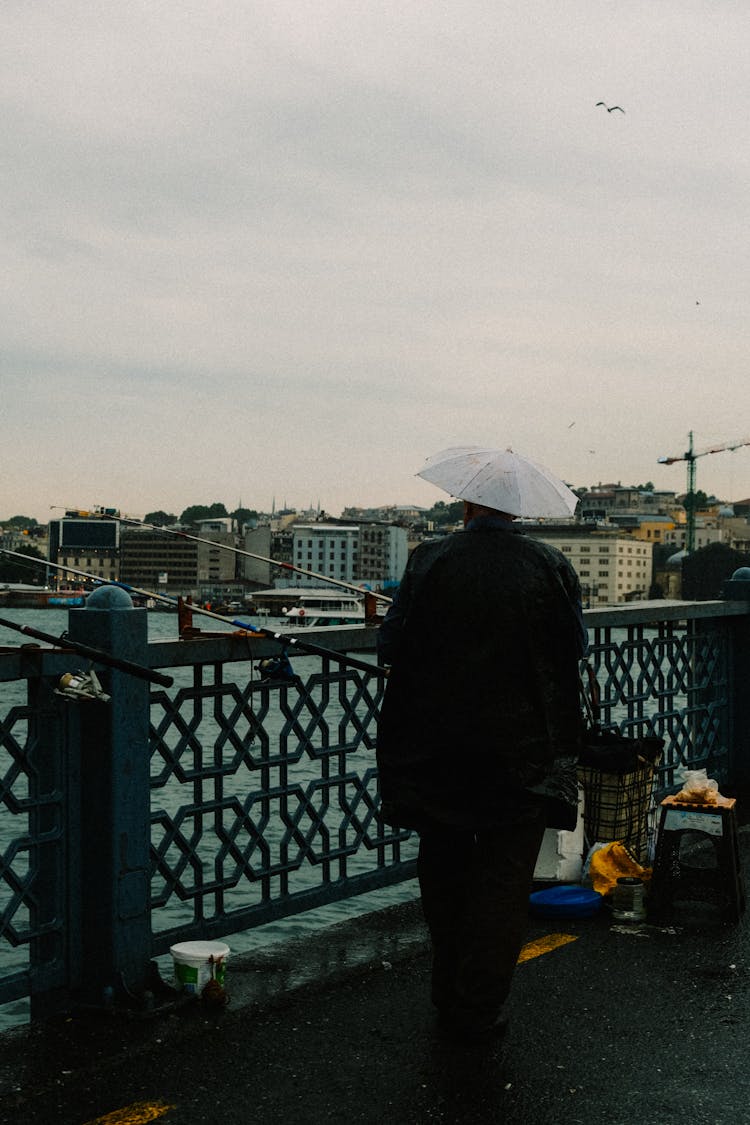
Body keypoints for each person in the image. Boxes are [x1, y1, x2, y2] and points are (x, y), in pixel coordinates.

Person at [376, 496, 587, 1043]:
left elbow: (391, 643)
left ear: (468, 505)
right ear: (516, 510)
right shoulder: (549, 563)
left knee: (444, 866)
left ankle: (446, 994)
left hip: (437, 748)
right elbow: (573, 646)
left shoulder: (430, 558)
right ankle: (481, 1006)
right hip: (523, 751)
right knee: (503, 880)